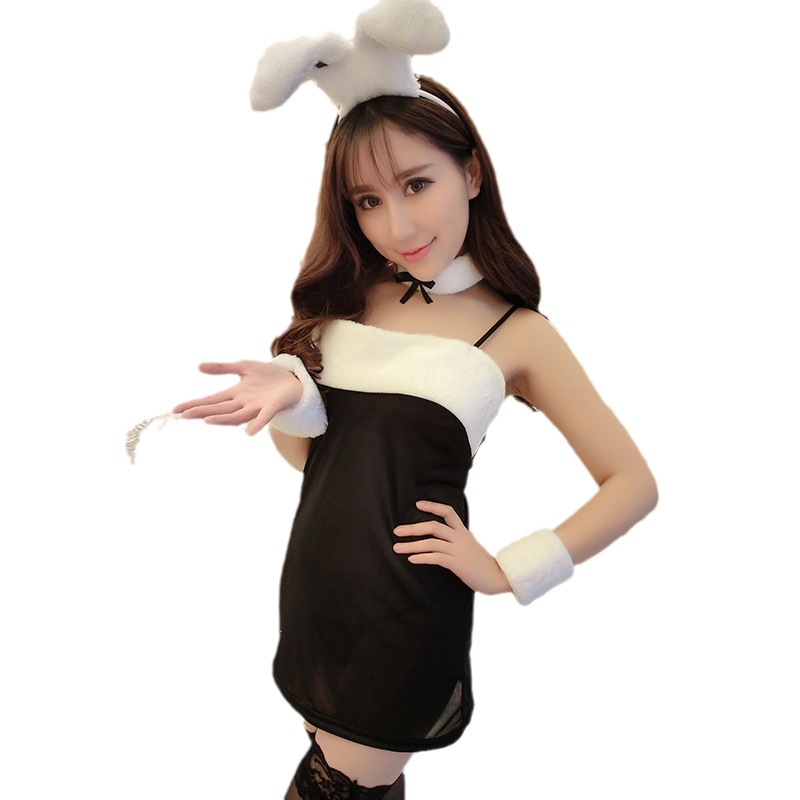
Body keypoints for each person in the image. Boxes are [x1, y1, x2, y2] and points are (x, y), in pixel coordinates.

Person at [165, 2, 658, 797]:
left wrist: (506, 569)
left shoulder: (518, 333)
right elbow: (318, 463)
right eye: (367, 201)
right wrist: (291, 398)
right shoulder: (353, 301)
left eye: (416, 184)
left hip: (403, 620)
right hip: (316, 600)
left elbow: (633, 483)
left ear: (471, 173)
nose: (397, 225)